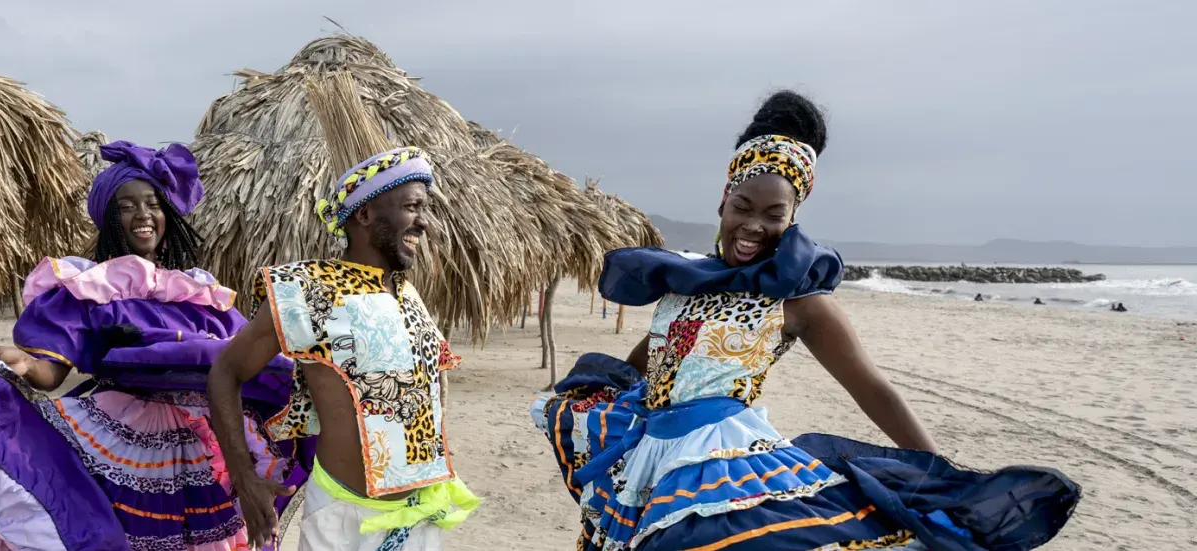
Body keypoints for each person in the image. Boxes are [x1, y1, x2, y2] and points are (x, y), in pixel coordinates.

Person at [529, 91, 1079, 550]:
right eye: (743, 206)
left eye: (775, 215)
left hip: (719, 461)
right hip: (647, 455)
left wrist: (939, 477)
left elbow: (875, 389)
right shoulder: (684, 277)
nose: (753, 225)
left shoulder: (801, 303)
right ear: (723, 200)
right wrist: (611, 397)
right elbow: (657, 357)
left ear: (794, 219)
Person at [0, 140, 310, 551]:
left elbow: (240, 359)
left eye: (153, 203)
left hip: (201, 438)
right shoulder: (89, 286)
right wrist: (26, 364)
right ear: (109, 218)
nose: (143, 215)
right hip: (124, 434)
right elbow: (54, 369)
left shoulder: (201, 291)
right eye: (127, 206)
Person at [209, 145, 481, 551]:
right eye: (412, 207)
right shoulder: (307, 289)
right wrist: (244, 478)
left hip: (422, 514)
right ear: (365, 214)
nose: (424, 222)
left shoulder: (410, 295)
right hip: (344, 522)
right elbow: (225, 372)